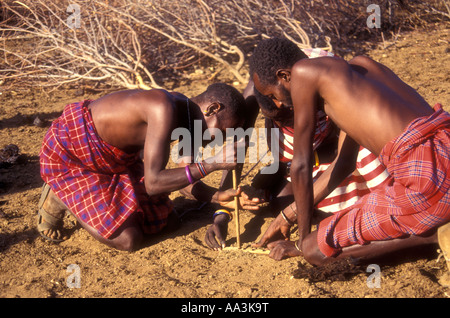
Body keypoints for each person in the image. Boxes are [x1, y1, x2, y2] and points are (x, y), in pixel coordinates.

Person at [249, 37, 450, 266]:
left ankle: (433, 236)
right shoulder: (361, 68)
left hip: (428, 181)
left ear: (285, 76)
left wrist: (302, 242)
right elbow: (344, 163)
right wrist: (288, 214)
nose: (277, 104)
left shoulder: (303, 72)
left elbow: (301, 164)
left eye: (273, 95)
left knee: (316, 251)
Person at [38, 83, 262, 251]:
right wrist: (212, 163)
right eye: (222, 132)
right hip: (71, 155)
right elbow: (154, 184)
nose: (217, 141)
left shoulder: (189, 118)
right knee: (128, 239)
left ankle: (84, 194)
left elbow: (184, 181)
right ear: (212, 108)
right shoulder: (162, 107)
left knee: (168, 221)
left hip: (116, 163)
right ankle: (61, 194)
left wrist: (218, 197)